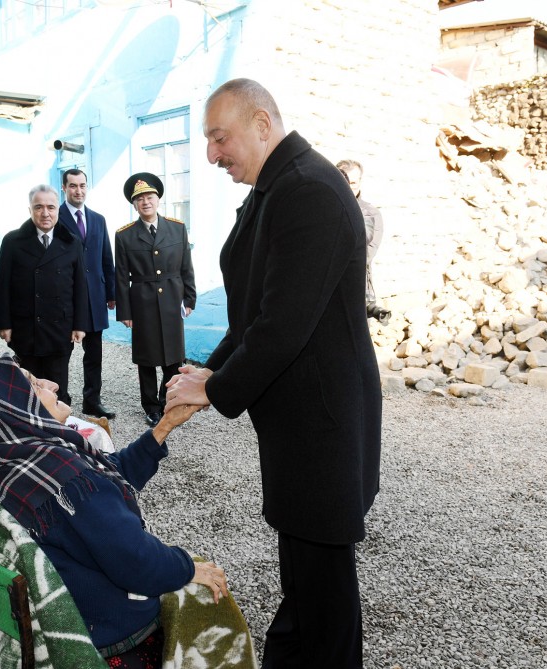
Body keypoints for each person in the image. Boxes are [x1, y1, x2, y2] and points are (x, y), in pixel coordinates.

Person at [166, 78, 382, 668]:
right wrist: (203, 371)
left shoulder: (308, 191)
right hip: (300, 425)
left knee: (325, 596)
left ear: (262, 124)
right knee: (306, 582)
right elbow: (253, 310)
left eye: (218, 138)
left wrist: (213, 389)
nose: (211, 154)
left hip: (323, 427)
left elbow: (281, 325)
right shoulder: (276, 186)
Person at [0, 354, 231, 666]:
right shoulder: (64, 479)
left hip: (48, 615)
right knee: (215, 604)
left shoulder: (5, 467)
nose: (53, 384)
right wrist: (188, 568)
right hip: (104, 626)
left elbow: (104, 478)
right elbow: (137, 562)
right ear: (18, 411)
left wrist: (164, 425)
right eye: (35, 384)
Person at [0, 184, 90, 405]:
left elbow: (80, 287)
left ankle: (59, 429)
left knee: (57, 388)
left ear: (58, 210)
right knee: (28, 389)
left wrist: (79, 325)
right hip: (26, 329)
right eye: (38, 207)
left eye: (50, 207)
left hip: (60, 329)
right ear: (30, 210)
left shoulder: (71, 242)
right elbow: (2, 285)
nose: (45, 213)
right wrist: (3, 324)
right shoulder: (12, 241)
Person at [114, 173, 196, 428]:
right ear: (134, 204)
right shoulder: (124, 235)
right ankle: (151, 407)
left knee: (173, 356)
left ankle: (168, 400)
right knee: (146, 359)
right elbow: (120, 276)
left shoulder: (177, 228)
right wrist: (125, 312)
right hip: (142, 302)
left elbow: (186, 266)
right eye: (140, 199)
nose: (145, 202)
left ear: (158, 199)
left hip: (172, 298)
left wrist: (190, 298)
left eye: (149, 197)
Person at [57, 168, 117, 419]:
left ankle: (92, 401)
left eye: (82, 185)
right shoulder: (54, 217)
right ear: (64, 188)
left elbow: (106, 258)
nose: (78, 190)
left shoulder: (98, 219)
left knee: (94, 355)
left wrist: (111, 293)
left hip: (94, 298)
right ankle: (60, 401)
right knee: (62, 355)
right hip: (66, 300)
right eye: (73, 186)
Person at [337, 159, 390, 325]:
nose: (349, 187)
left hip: (355, 289)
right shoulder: (322, 209)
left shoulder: (371, 214)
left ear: (360, 182)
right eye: (345, 182)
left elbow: (365, 255)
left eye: (353, 182)